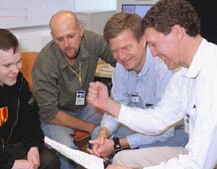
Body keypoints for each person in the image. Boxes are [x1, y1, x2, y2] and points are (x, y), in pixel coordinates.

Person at [87, 0, 217, 168]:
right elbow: (158, 120)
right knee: (121, 160)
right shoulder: (184, 73)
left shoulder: (211, 73)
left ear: (177, 32)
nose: (153, 53)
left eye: (154, 45)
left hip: (202, 160)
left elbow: (199, 164)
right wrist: (109, 105)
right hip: (196, 154)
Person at [89, 12, 188, 162]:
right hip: (139, 124)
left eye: (126, 48)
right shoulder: (121, 68)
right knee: (97, 135)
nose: (121, 56)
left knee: (139, 152)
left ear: (142, 41)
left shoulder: (164, 68)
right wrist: (104, 133)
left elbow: (163, 128)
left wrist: (118, 144)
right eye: (115, 51)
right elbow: (117, 105)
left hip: (173, 130)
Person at [32, 10, 116, 169]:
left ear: (81, 30)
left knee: (117, 125)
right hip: (57, 114)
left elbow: (120, 59)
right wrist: (90, 128)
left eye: (71, 36)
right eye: (59, 39)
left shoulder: (93, 41)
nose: (67, 45)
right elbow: (50, 114)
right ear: (52, 37)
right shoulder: (44, 63)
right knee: (66, 150)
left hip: (84, 106)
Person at [0, 28, 60, 169]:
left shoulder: (19, 82)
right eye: (8, 65)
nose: (16, 70)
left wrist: (33, 146)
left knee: (49, 161)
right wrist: (11, 164)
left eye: (18, 62)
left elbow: (30, 119)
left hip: (9, 146)